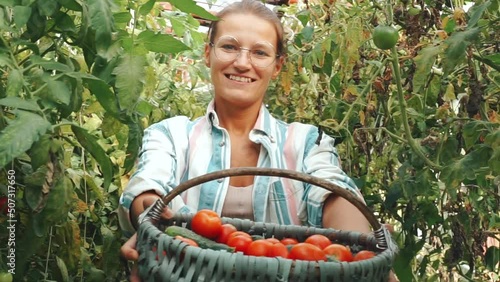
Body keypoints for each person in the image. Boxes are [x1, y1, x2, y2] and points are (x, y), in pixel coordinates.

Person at [119, 1, 397, 281]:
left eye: (260, 52)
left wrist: (360, 251)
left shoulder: (305, 142)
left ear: (277, 66)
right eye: (229, 47)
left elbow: (331, 187)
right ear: (208, 53)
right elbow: (147, 185)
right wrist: (149, 222)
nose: (242, 63)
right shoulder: (171, 135)